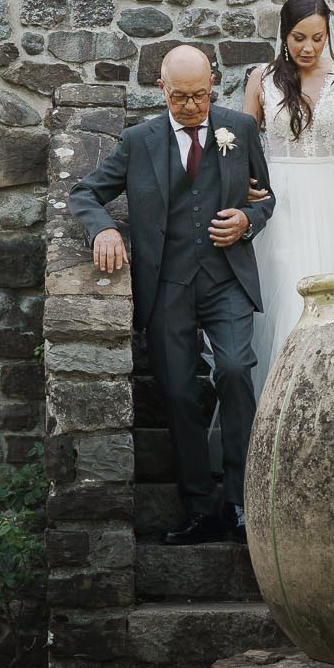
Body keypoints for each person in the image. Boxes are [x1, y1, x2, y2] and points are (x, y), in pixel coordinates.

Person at [67, 44, 276, 545]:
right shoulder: (139, 141)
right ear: (161, 89)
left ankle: (242, 503)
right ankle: (201, 510)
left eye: (200, 95)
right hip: (167, 286)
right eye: (180, 97)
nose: (191, 106)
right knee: (180, 394)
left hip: (226, 279)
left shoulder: (238, 129)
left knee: (233, 370)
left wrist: (248, 220)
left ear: (213, 85)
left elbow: (267, 198)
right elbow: (84, 193)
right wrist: (103, 232)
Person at [239, 0, 334, 392]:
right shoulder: (262, 80)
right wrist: (247, 187)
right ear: (284, 34)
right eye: (300, 37)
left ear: (328, 34)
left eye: (318, 38)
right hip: (281, 198)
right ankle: (279, 401)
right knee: (286, 294)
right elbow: (243, 146)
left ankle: (330, 397)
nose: (309, 47)